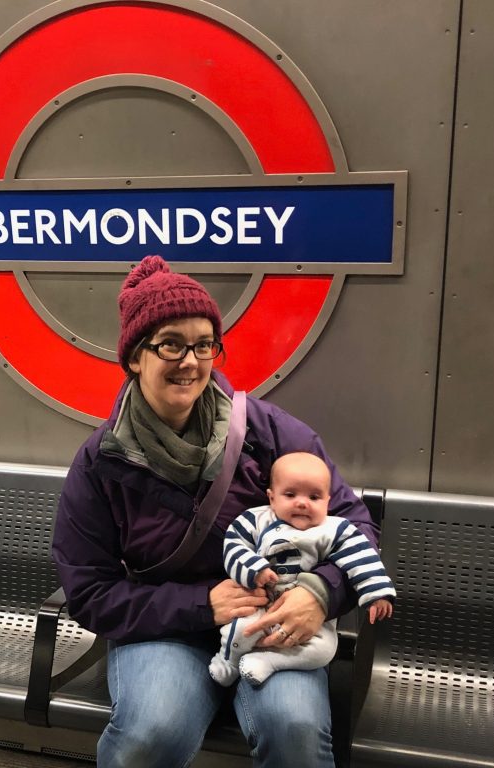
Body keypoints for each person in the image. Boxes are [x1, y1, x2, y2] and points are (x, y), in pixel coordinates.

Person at [51, 256, 381, 768]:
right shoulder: (102, 462)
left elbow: (354, 523)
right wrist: (202, 605)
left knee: (293, 729)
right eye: (171, 344)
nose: (190, 361)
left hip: (276, 618)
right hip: (166, 627)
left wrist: (321, 593)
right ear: (135, 357)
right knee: (151, 734)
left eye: (204, 344)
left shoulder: (265, 431)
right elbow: (91, 593)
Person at [209, 452, 394, 687]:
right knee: (241, 630)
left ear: (328, 502)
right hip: (258, 606)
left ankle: (270, 661)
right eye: (290, 494)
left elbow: (363, 556)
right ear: (272, 497)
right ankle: (230, 661)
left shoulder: (336, 529)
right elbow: (233, 547)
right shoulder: (254, 520)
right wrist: (255, 569)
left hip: (308, 619)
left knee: (324, 649)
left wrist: (377, 592)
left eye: (314, 497)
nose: (302, 502)